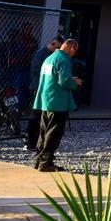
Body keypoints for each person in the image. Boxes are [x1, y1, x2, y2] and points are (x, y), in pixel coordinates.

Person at [33, 38, 82, 171]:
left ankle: (38, 159)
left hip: (46, 99)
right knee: (53, 133)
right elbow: (64, 81)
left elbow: (54, 77)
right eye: (74, 50)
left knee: (43, 131)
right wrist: (75, 83)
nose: (74, 53)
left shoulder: (49, 58)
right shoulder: (64, 59)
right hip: (58, 101)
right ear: (71, 48)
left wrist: (69, 79)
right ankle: (46, 162)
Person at [25, 37, 61, 150]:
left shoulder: (48, 55)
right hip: (37, 87)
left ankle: (37, 141)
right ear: (53, 44)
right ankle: (30, 141)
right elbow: (37, 70)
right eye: (58, 47)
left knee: (41, 115)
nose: (59, 50)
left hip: (43, 87)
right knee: (35, 115)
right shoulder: (40, 54)